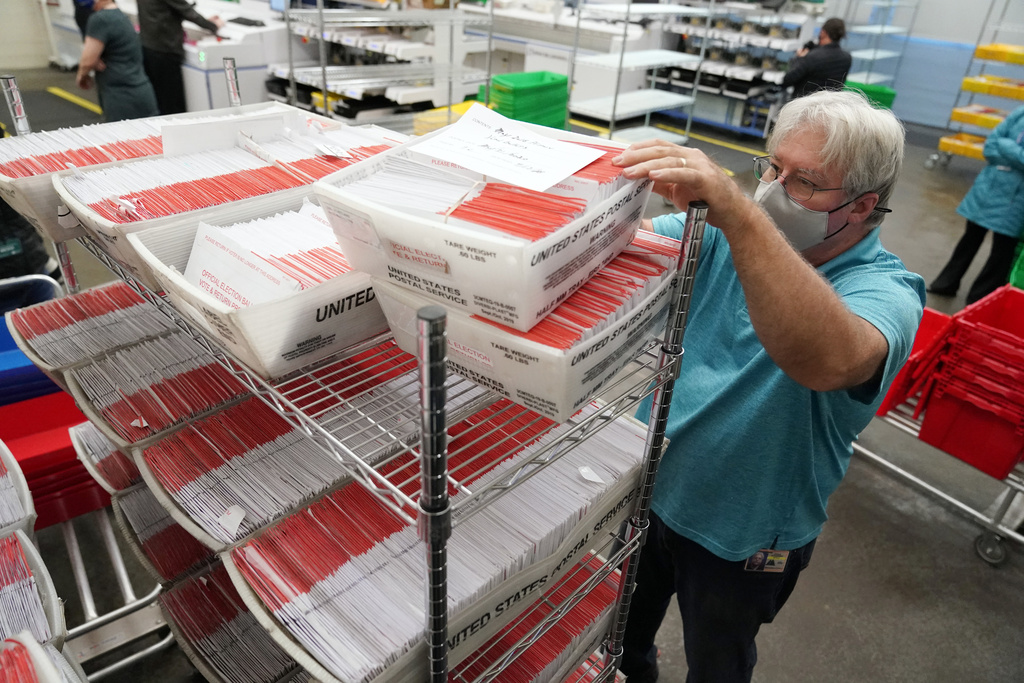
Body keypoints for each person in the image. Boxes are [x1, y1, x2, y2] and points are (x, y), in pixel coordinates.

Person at [609, 89, 925, 683]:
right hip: (651, 487)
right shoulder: (720, 235)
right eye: (773, 167)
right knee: (621, 639)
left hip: (745, 534)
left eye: (805, 181)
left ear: (864, 205)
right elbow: (627, 245)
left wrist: (740, 212)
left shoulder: (886, 292)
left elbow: (829, 359)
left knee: (718, 662)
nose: (775, 191)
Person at [927, 105, 1024, 304]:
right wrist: (1014, 154)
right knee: (969, 239)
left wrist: (1005, 146)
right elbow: (990, 146)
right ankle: (946, 284)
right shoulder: (1020, 112)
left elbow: (1001, 144)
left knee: (1001, 252)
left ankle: (979, 301)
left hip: (1017, 198)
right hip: (989, 187)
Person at [76, 0, 160, 122]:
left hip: (121, 97)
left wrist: (81, 76)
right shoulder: (121, 16)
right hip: (141, 93)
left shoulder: (100, 19)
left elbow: (88, 60)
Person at [138, 0, 225, 115]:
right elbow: (186, 10)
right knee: (172, 103)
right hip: (165, 49)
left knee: (161, 99)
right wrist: (213, 25)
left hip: (150, 45)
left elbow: (165, 10)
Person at [781, 17, 852, 98]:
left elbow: (788, 80)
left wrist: (799, 58)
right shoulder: (847, 58)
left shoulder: (812, 57)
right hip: (829, 105)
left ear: (823, 32)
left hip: (805, 105)